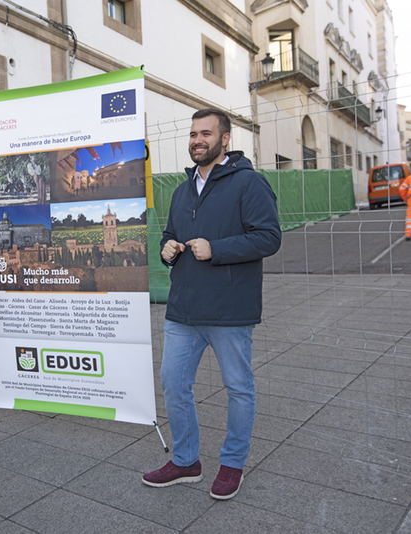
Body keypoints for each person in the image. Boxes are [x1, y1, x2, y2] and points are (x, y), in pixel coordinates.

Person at [142, 109, 281, 500]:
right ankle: (186, 460)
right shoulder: (183, 189)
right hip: (184, 308)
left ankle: (233, 464)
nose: (197, 140)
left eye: (206, 133)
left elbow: (269, 237)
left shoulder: (249, 183)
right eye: (192, 134)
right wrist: (167, 248)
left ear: (225, 139)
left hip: (229, 309)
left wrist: (216, 249)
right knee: (173, 382)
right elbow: (171, 234)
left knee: (238, 388)